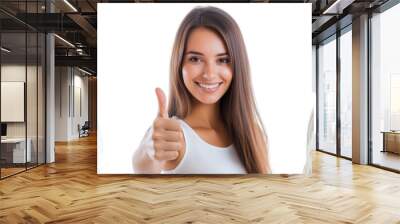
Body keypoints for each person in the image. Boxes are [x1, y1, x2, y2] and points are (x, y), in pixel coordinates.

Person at [132, 6, 271, 174]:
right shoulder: (173, 136)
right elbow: (143, 166)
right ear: (179, 64)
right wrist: (147, 152)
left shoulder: (253, 133)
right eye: (195, 59)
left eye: (223, 60)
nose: (209, 74)